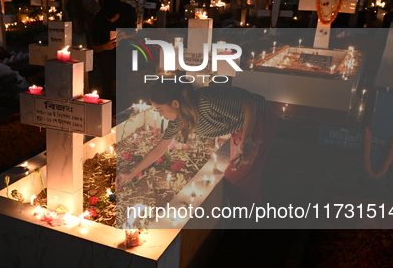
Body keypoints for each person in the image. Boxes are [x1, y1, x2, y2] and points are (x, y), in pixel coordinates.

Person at [117, 81, 277, 209]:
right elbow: (159, 148)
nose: (161, 115)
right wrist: (131, 174)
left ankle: (246, 227)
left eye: (160, 109)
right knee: (246, 175)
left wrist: (246, 139)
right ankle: (253, 218)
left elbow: (250, 106)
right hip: (241, 127)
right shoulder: (179, 119)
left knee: (238, 177)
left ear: (175, 103)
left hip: (257, 120)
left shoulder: (208, 101)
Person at [90, 0, 136, 106]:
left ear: (119, 13)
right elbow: (92, 46)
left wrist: (127, 35)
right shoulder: (99, 19)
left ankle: (123, 102)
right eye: (109, 19)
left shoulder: (128, 11)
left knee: (123, 74)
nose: (112, 21)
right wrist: (103, 47)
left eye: (115, 17)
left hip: (124, 46)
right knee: (106, 75)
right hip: (105, 49)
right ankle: (107, 101)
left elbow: (135, 32)